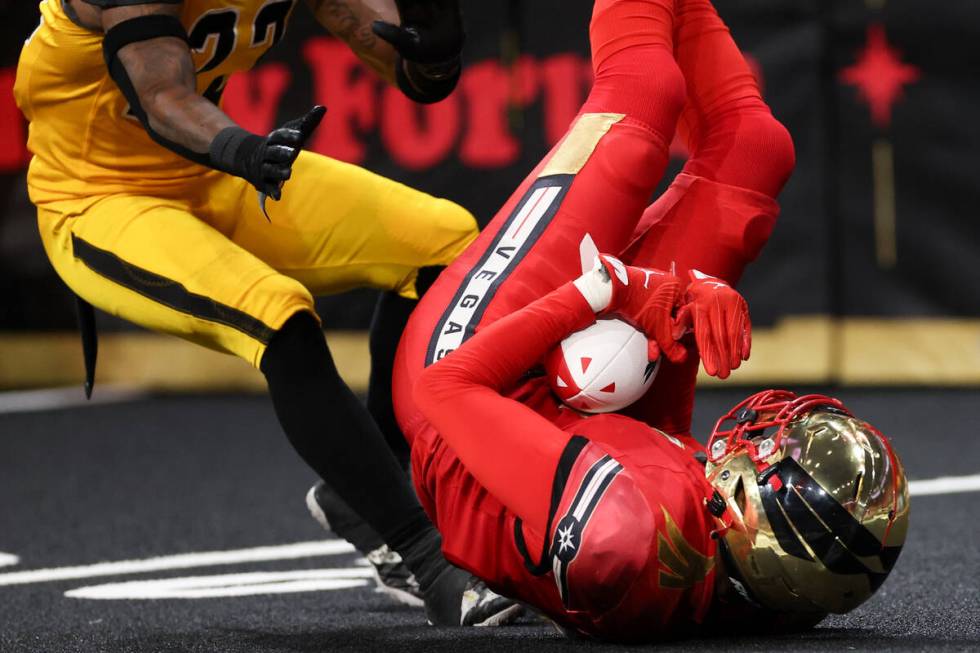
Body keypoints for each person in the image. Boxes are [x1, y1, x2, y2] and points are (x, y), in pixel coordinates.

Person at [386, 0, 910, 641]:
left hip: (464, 392)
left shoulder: (625, 528)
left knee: (639, 112)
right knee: (754, 151)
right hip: (569, 433)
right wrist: (682, 311)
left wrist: (619, 290)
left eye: (783, 460)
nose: (777, 438)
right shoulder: (775, 579)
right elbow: (648, 440)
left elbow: (449, 391)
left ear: (759, 514)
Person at [14, 0, 519, 625]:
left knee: (445, 242)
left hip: (207, 174)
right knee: (280, 316)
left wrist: (433, 57)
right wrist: (244, 151)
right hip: (101, 196)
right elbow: (160, 96)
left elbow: (387, 49)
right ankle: (425, 556)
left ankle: (365, 490)